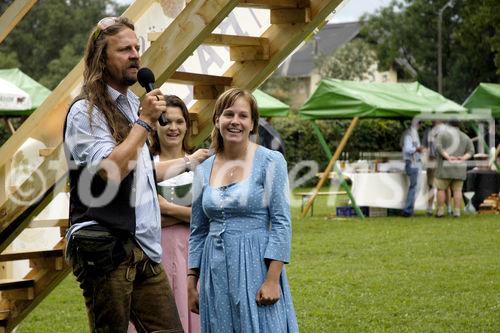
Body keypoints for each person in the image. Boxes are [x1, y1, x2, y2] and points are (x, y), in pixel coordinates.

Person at [63, 17, 208, 332]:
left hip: (143, 248)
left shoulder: (131, 103)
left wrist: (189, 161)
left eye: (136, 48)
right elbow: (112, 171)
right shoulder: (86, 111)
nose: (135, 56)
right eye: (124, 49)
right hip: (107, 249)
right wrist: (143, 121)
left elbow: (140, 171)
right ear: (102, 58)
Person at [187, 88, 299, 332]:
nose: (235, 121)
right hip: (214, 272)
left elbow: (281, 222)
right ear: (217, 120)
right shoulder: (203, 168)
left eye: (243, 116)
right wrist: (190, 282)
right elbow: (197, 230)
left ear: (253, 124)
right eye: (228, 114)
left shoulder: (270, 161)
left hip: (256, 265)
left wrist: (272, 280)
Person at [151, 95, 201, 333]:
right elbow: (141, 217)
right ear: (154, 126)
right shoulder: (147, 164)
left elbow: (207, 216)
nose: (173, 127)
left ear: (187, 126)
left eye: (179, 121)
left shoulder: (200, 164)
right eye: (165, 121)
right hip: (153, 252)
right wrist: (188, 213)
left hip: (192, 253)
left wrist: (166, 209)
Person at [434, 119, 475, 217]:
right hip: (459, 168)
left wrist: (448, 157)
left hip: (444, 168)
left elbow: (439, 148)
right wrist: (462, 158)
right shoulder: (465, 137)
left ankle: (440, 211)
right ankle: (457, 211)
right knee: (457, 190)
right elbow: (471, 151)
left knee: (441, 189)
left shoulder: (442, 135)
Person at [422, 120, 451, 215]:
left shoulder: (447, 130)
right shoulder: (428, 130)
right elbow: (424, 146)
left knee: (445, 186)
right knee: (430, 185)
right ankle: (429, 209)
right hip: (431, 160)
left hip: (443, 161)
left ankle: (449, 208)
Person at [401, 120, 423, 217]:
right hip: (412, 162)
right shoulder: (409, 134)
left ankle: (410, 209)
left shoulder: (412, 133)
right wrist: (418, 149)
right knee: (414, 187)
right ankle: (408, 210)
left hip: (414, 162)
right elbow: (408, 149)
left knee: (415, 187)